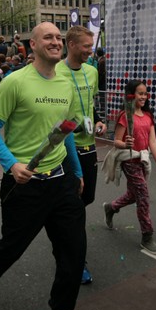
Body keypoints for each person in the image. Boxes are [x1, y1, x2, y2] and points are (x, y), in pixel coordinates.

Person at [0, 22, 93, 310]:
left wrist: (77, 172)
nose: (55, 41)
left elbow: (65, 132)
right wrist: (12, 165)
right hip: (24, 185)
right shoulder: (15, 82)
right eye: (47, 37)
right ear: (34, 45)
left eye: (58, 37)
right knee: (11, 249)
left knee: (74, 248)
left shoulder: (65, 83)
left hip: (61, 181)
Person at [56, 25, 106, 284]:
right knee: (73, 206)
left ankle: (65, 234)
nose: (90, 51)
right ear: (72, 45)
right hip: (66, 148)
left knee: (86, 198)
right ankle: (75, 259)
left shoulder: (92, 71)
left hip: (89, 146)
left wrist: (98, 121)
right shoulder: (56, 71)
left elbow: (91, 104)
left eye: (91, 46)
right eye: (86, 46)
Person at [103, 79, 156, 254]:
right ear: (131, 95)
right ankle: (147, 236)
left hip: (142, 160)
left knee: (134, 195)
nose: (143, 97)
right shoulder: (125, 116)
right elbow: (116, 141)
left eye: (145, 94)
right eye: (140, 93)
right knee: (143, 195)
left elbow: (153, 142)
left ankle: (111, 207)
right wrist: (125, 144)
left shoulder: (148, 116)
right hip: (129, 161)